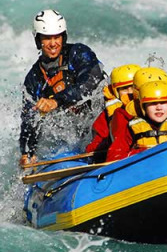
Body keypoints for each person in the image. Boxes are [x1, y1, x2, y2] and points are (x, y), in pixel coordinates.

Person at [19, 9, 105, 167]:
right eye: (47, 38)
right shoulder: (34, 79)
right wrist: (27, 152)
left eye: (57, 37)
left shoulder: (79, 53)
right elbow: (28, 120)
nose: (53, 44)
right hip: (73, 136)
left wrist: (57, 101)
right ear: (38, 40)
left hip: (100, 121)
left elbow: (91, 81)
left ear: (63, 37)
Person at [107, 81, 167, 161]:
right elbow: (114, 156)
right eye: (153, 103)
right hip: (146, 168)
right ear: (143, 107)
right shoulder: (132, 127)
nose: (159, 108)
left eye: (163, 102)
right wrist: (141, 153)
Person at [85, 63, 141, 157]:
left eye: (133, 87)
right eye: (124, 89)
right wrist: (105, 144)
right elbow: (94, 145)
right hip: (120, 155)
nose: (130, 92)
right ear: (116, 92)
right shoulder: (106, 117)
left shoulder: (156, 107)